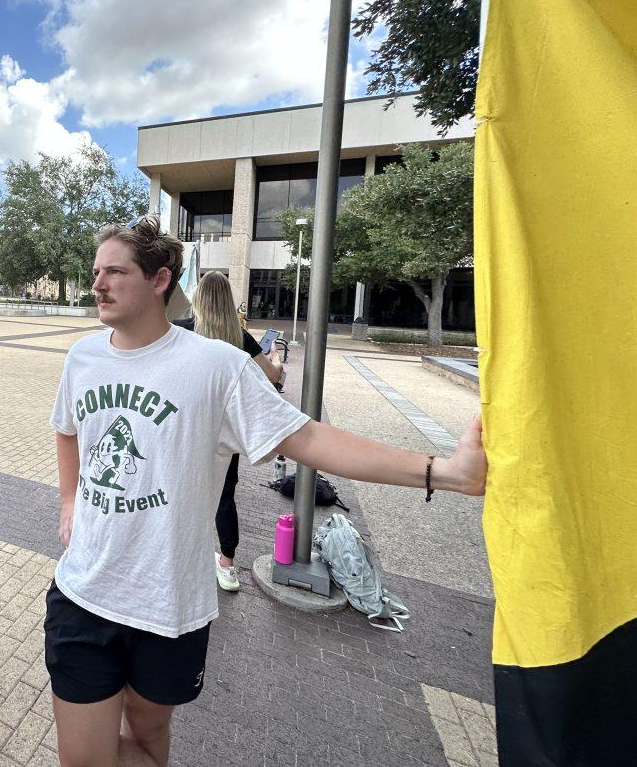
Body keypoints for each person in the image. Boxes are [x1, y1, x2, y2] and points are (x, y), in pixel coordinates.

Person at [46, 217, 487, 767]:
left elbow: (309, 439)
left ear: (160, 280)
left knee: (148, 743)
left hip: (169, 606)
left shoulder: (215, 367)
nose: (98, 284)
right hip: (85, 594)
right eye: (96, 272)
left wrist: (442, 472)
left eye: (115, 271)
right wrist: (68, 501)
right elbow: (66, 428)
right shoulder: (83, 358)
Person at [180, 271, 283, 593]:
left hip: (185, 425)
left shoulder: (183, 331)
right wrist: (276, 360)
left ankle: (181, 557)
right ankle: (227, 566)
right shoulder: (240, 337)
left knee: (180, 490)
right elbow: (271, 377)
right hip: (225, 429)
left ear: (198, 298)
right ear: (227, 301)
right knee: (224, 497)